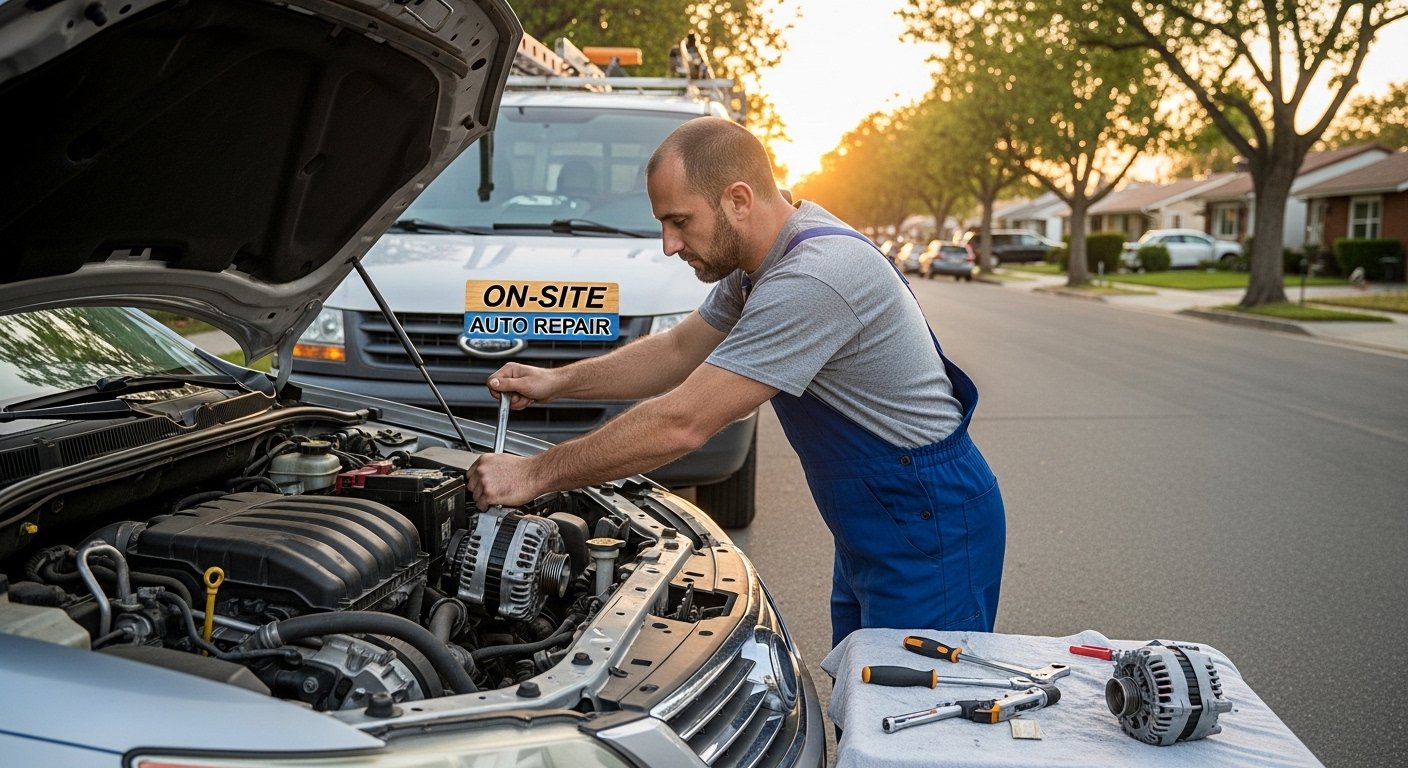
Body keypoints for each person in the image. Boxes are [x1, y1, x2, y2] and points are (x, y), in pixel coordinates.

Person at [469, 116, 1005, 646]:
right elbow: (678, 350)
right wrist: (556, 382)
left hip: (928, 522)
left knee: (913, 716)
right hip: (883, 523)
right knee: (866, 699)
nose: (668, 244)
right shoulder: (759, 263)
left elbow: (683, 422)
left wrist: (535, 474)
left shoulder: (812, 277)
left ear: (739, 200)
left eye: (679, 221)